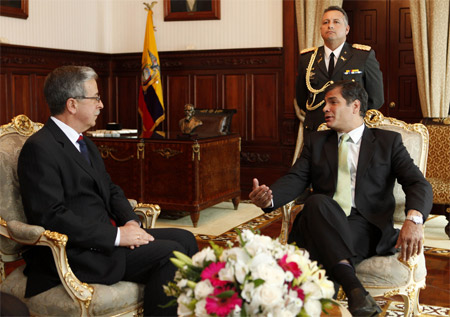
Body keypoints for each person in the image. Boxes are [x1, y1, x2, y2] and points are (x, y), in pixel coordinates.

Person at [17, 65, 198, 316]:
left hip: (105, 238)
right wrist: (117, 236)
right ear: (72, 105)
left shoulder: (84, 142)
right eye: (96, 98)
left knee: (187, 239)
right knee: (171, 254)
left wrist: (131, 222)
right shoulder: (40, 148)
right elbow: (51, 217)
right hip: (78, 252)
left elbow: (111, 189)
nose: (101, 105)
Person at [250, 80, 432, 316]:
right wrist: (269, 199)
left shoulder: (388, 142)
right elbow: (295, 178)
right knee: (317, 202)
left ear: (355, 106)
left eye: (333, 102)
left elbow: (417, 182)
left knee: (317, 246)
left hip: (365, 224)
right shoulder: (316, 142)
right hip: (322, 216)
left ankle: (328, 299)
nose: (325, 108)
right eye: (325, 103)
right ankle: (355, 290)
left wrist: (414, 219)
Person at [296, 6, 384, 133]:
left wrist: (352, 119)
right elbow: (301, 98)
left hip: (351, 130)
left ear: (347, 29)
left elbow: (376, 98)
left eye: (336, 22)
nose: (330, 26)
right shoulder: (307, 58)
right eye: (326, 22)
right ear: (320, 29)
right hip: (316, 131)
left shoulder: (363, 56)